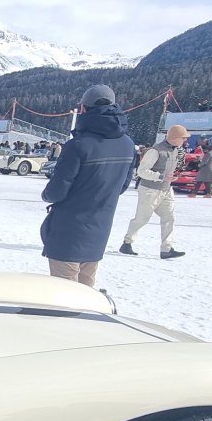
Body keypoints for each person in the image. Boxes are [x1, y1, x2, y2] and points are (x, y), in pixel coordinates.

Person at [41, 85, 135, 287]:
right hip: (99, 228)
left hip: (68, 230)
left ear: (83, 108)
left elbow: (56, 192)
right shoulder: (127, 144)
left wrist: (46, 194)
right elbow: (122, 186)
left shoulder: (78, 145)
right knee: (86, 290)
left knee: (64, 291)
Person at [119, 124, 187, 259]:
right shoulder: (155, 151)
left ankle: (166, 249)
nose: (185, 140)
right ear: (175, 138)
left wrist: (170, 177)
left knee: (169, 218)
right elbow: (141, 171)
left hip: (166, 189)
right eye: (183, 137)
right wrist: (161, 177)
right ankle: (127, 243)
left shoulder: (175, 150)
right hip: (150, 190)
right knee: (141, 219)